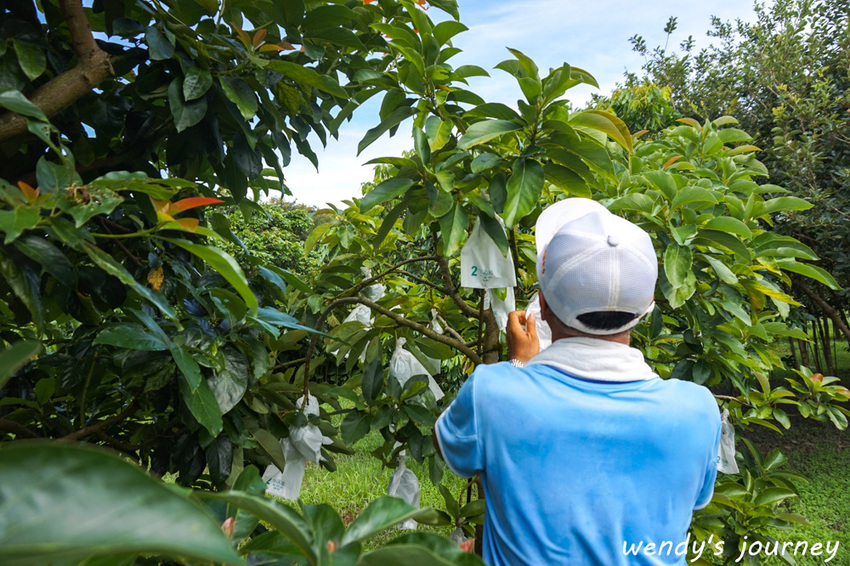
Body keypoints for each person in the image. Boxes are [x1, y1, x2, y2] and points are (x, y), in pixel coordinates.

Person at [434, 198, 721, 566]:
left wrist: (521, 364)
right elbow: (689, 501)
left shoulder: (493, 392)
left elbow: (449, 447)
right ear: (649, 305)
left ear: (543, 304)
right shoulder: (697, 409)